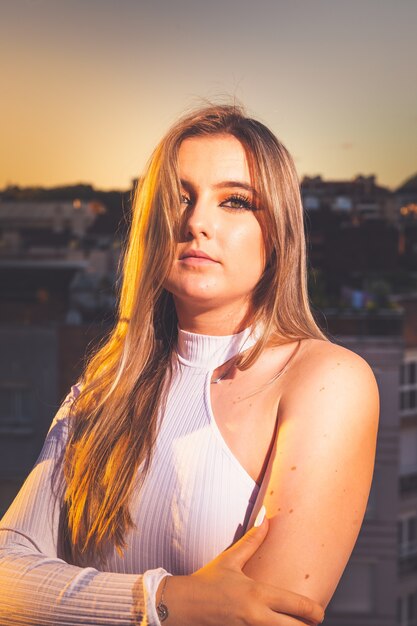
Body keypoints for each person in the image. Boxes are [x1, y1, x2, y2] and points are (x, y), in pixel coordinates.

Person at [0, 103, 379, 626]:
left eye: (236, 201)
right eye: (180, 198)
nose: (197, 222)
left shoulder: (326, 381)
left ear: (280, 233)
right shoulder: (105, 387)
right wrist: (164, 601)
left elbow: (262, 617)